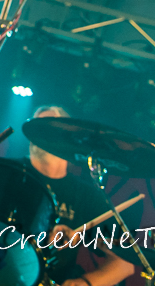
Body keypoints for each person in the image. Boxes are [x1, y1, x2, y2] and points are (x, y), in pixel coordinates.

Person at [28, 106, 136, 286]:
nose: (42, 132)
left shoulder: (86, 196)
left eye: (49, 127)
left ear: (69, 139)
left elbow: (124, 263)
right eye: (37, 127)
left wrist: (84, 283)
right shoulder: (9, 174)